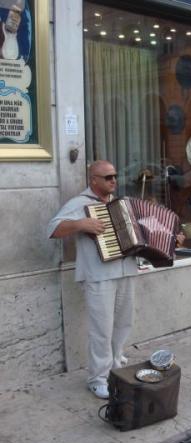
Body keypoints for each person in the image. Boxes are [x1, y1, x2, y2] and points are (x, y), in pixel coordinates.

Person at [47, 160, 138, 399]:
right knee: (101, 330)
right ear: (93, 180)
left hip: (126, 271)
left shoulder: (123, 204)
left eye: (115, 176)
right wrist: (80, 224)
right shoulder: (80, 204)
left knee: (123, 322)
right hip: (98, 276)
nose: (113, 180)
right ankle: (98, 378)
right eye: (107, 177)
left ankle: (116, 361)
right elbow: (53, 229)